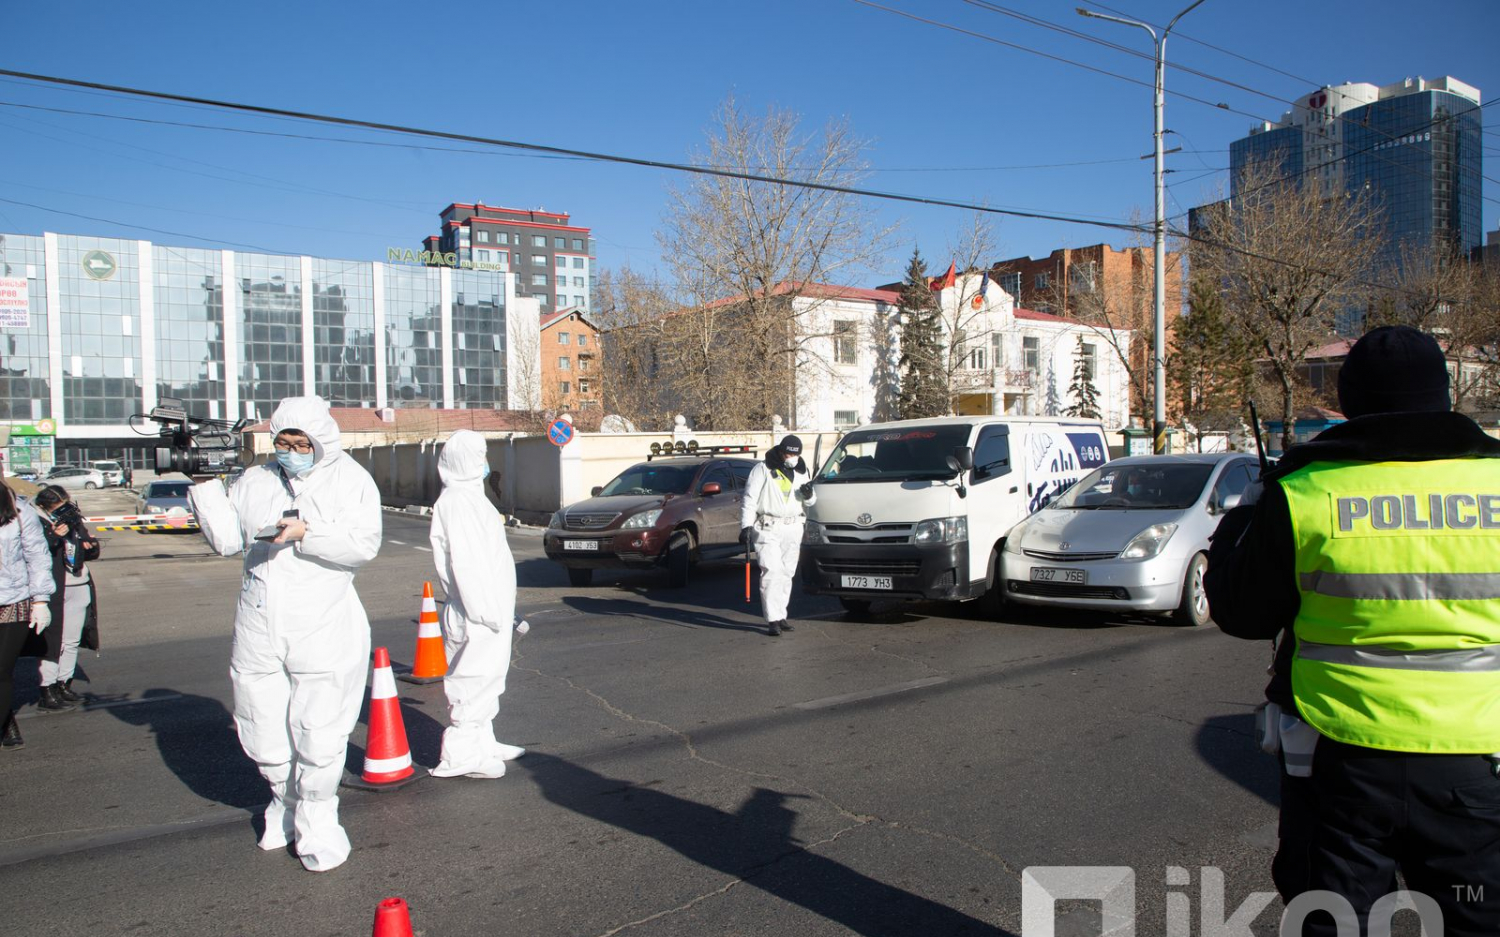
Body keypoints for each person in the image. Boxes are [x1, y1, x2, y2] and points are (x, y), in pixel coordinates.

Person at [1205, 326, 1500, 936]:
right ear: (1444, 396)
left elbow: (1240, 612)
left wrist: (1246, 516)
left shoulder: (1307, 492)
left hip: (1339, 757)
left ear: (1349, 401)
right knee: (1475, 917)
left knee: (1335, 919)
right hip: (1477, 760)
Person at [189, 396, 381, 872]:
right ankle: (284, 801)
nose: (292, 450)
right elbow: (227, 541)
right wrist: (205, 487)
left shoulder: (350, 480)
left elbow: (363, 545)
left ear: (322, 441)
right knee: (260, 720)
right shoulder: (255, 480)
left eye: (302, 443)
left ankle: (317, 816)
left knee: (318, 728)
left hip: (321, 619)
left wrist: (306, 534)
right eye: (283, 441)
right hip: (258, 619)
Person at [428, 430, 524, 779]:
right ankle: (461, 754)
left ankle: (484, 740)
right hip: (477, 610)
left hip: (486, 606)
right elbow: (466, 563)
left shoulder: (469, 497)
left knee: (489, 676)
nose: (485, 463)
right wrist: (486, 610)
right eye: (481, 455)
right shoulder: (457, 502)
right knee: (472, 678)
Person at [740, 435, 817, 637]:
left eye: (795, 454)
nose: (792, 457)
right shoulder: (763, 469)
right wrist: (746, 526)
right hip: (768, 526)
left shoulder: (802, 469)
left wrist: (809, 495)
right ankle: (772, 619)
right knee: (772, 571)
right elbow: (750, 498)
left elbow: (809, 502)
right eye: (789, 453)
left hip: (793, 526)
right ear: (781, 452)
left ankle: (781, 614)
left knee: (787, 573)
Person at [33, 485, 101, 711]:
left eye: (67, 505)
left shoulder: (72, 520)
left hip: (79, 584)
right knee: (52, 642)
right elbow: (36, 553)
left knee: (71, 640)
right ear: (45, 508)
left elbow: (90, 548)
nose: (65, 511)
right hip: (55, 589)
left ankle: (64, 683)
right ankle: (48, 689)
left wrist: (90, 546)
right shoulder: (38, 523)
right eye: (59, 508)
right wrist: (53, 536)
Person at [0, 480, 55, 750]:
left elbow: (38, 556)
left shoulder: (20, 512)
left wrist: (41, 600)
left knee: (1, 669)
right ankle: (7, 717)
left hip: (13, 599)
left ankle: (4, 722)